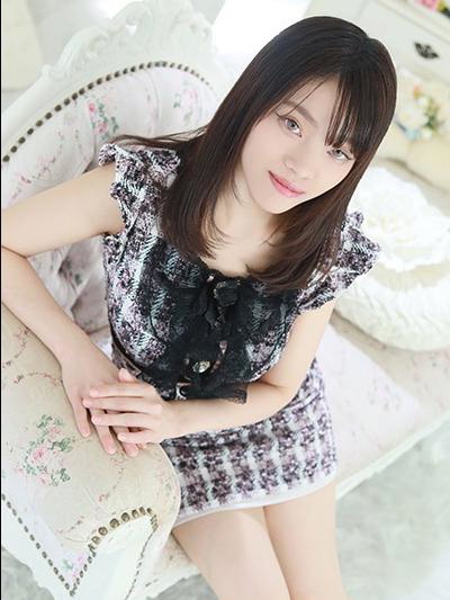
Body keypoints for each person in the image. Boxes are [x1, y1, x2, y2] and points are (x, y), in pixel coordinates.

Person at [1, 14, 396, 600]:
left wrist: (180, 418)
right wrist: (76, 352)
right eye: (292, 122)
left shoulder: (326, 248)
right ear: (253, 97)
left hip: (267, 419)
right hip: (169, 431)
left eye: (338, 151)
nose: (304, 166)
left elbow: (281, 389)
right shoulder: (144, 190)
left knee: (321, 591)